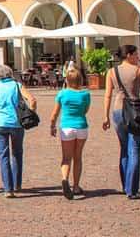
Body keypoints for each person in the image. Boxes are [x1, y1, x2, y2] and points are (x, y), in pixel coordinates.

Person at [102, 44, 140, 199]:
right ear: (129, 55)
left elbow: (107, 95)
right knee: (134, 149)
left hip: (118, 111)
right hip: (135, 112)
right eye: (136, 54)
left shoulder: (111, 72)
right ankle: (132, 189)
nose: (138, 57)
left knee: (124, 148)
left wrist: (105, 116)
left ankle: (125, 185)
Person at [0, 64, 37, 198]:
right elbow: (32, 100)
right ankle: (17, 184)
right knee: (17, 153)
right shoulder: (17, 85)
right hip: (16, 123)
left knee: (3, 156)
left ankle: (7, 189)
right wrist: (31, 113)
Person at [50, 67, 91, 199]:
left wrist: (52, 125)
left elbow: (55, 113)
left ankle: (64, 178)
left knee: (66, 158)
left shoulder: (62, 94)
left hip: (66, 127)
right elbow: (86, 110)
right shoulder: (85, 94)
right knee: (78, 157)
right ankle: (76, 186)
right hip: (81, 126)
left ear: (67, 80)